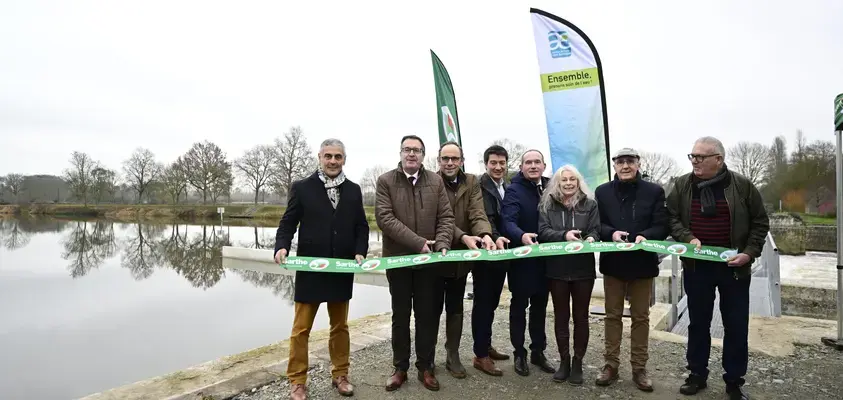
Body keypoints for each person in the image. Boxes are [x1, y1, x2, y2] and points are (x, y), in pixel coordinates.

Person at [667, 137, 769, 400]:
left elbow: (760, 223)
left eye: (700, 157)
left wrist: (749, 254)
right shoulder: (682, 185)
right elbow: (671, 218)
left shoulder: (743, 186)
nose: (694, 162)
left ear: (718, 160)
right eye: (692, 156)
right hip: (697, 266)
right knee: (698, 323)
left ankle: (734, 381)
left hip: (733, 268)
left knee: (735, 325)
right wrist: (687, 238)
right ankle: (697, 375)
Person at [273, 139, 369, 400]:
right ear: (319, 157)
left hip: (341, 269)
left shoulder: (353, 189)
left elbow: (361, 225)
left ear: (344, 159)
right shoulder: (302, 188)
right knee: (301, 329)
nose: (333, 161)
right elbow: (288, 222)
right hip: (311, 269)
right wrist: (281, 246)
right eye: (328, 156)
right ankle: (297, 381)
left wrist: (360, 249)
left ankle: (340, 374)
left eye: (338, 156)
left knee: (340, 327)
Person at [375, 134, 455, 392]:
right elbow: (385, 219)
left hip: (429, 263)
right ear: (400, 153)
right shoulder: (385, 181)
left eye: (417, 150)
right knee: (400, 316)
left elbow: (446, 217)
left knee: (427, 316)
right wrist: (418, 242)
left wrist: (442, 244)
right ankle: (400, 368)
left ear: (423, 155)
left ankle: (426, 367)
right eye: (407, 149)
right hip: (398, 261)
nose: (412, 154)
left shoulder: (436, 181)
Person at [593, 148, 668, 392]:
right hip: (613, 264)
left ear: (638, 164)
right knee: (612, 316)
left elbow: (662, 225)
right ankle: (611, 364)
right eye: (620, 162)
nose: (625, 166)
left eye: (630, 161)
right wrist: (610, 233)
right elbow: (597, 224)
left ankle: (639, 368)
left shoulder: (654, 191)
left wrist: (645, 236)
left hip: (642, 264)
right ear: (614, 165)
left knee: (641, 318)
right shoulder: (602, 192)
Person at [434, 141, 496, 379]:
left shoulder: (471, 182)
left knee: (455, 306)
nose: (450, 163)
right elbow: (437, 218)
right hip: (437, 253)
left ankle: (453, 354)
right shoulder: (431, 180)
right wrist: (462, 235)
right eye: (445, 159)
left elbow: (477, 212)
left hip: (462, 256)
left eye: (454, 159)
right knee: (430, 309)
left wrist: (485, 234)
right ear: (438, 160)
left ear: (461, 160)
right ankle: (427, 359)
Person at [537, 165, 599, 386]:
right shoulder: (547, 205)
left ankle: (578, 362)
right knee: (561, 316)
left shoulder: (590, 204)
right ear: (558, 182)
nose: (569, 183)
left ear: (579, 181)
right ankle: (564, 360)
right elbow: (543, 232)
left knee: (581, 317)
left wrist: (591, 238)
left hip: (583, 270)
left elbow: (595, 230)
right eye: (564, 180)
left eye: (573, 179)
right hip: (557, 270)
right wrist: (564, 235)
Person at [501, 149, 556, 377]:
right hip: (522, 260)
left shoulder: (552, 187)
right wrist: (521, 235)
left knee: (540, 308)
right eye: (528, 163)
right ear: (522, 167)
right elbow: (507, 221)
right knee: (519, 307)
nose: (533, 166)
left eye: (537, 162)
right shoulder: (513, 190)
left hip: (546, 260)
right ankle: (519, 353)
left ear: (543, 165)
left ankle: (538, 351)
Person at [472, 144, 513, 377]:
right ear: (486, 164)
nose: (498, 167)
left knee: (492, 304)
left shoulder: (506, 186)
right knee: (483, 305)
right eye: (493, 163)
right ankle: (480, 355)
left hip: (502, 254)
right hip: (487, 255)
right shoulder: (479, 186)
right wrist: (495, 237)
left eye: (501, 163)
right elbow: (485, 218)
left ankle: (485, 345)